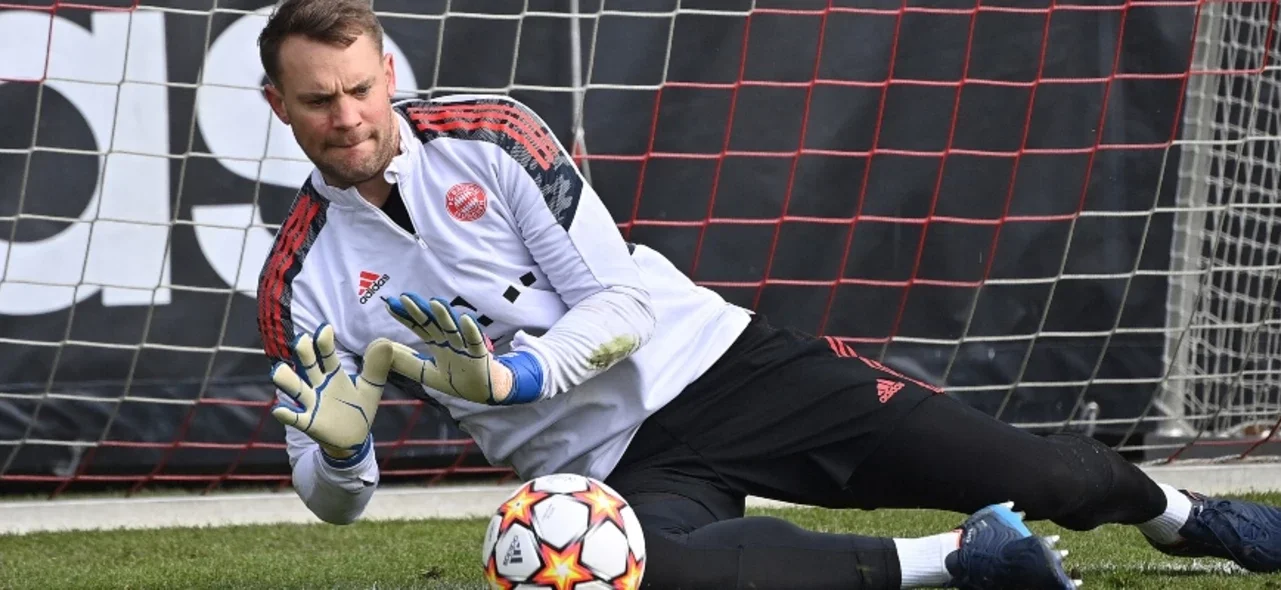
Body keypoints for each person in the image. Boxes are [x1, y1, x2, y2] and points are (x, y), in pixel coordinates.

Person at [252, 0, 1281, 588]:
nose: (346, 117)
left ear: (388, 71)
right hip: (601, 466)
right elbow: (334, 498)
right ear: (277, 106)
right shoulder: (302, 278)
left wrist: (512, 373)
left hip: (726, 368)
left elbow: (620, 303)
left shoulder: (493, 132)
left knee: (1033, 471)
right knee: (631, 575)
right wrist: (342, 453)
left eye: (360, 88)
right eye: (318, 100)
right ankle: (962, 559)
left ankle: (1182, 514)